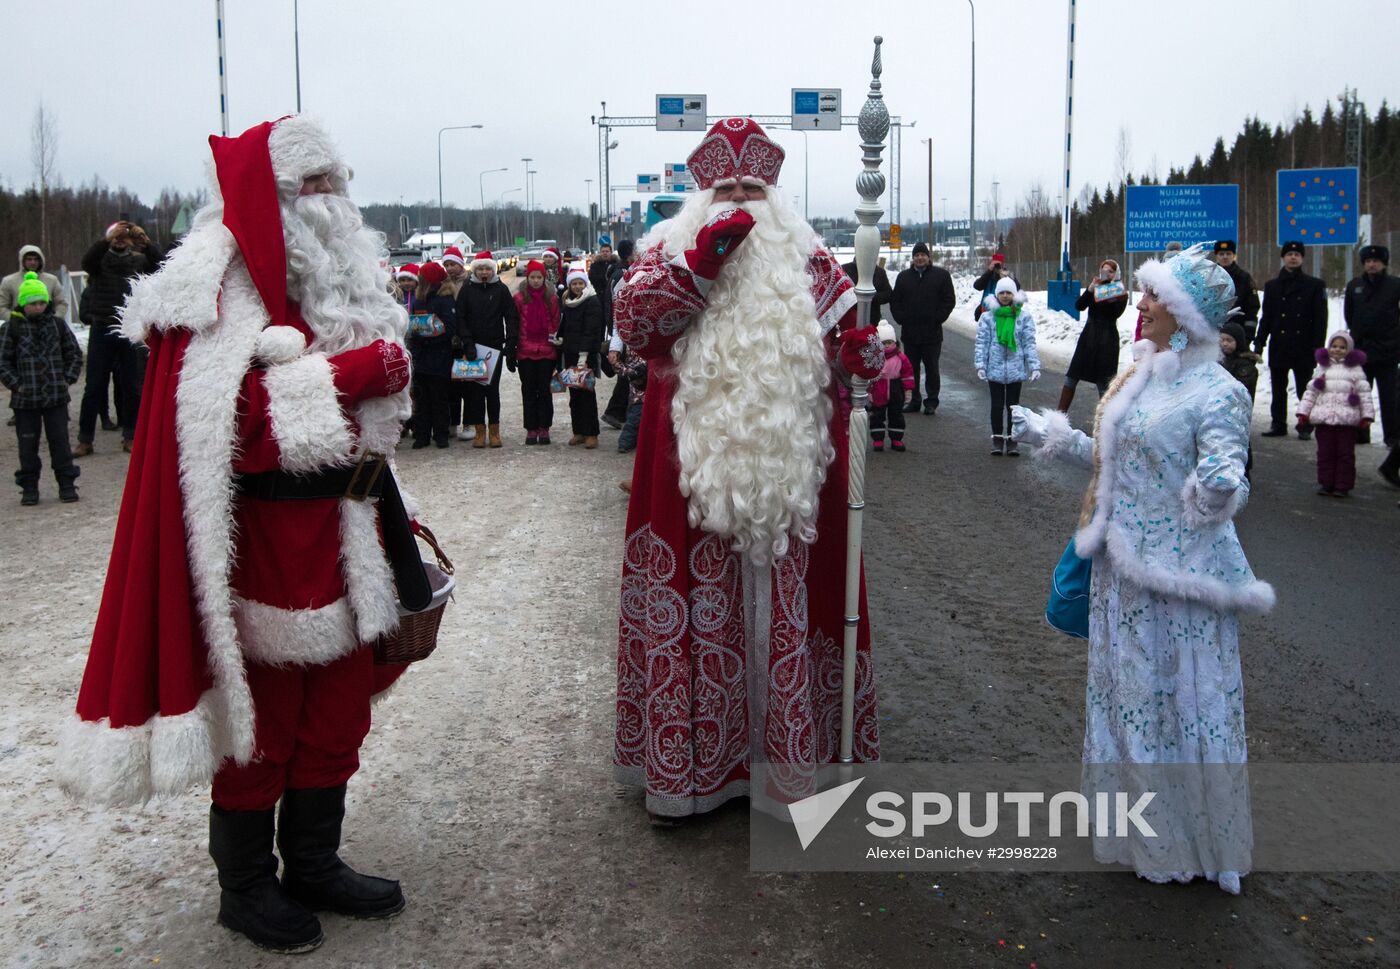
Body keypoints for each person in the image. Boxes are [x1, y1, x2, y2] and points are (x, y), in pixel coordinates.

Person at [58, 116, 414, 953]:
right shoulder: (216, 284)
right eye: (311, 184)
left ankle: (314, 861)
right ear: (273, 194)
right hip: (259, 545)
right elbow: (233, 425)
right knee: (263, 724)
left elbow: (364, 421)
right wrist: (358, 372)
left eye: (335, 181)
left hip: (345, 531)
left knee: (336, 714)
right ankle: (246, 884)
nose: (329, 199)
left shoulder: (340, 283)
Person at [611, 118, 884, 821]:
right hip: (689, 472)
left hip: (790, 474)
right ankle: (701, 769)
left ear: (774, 194)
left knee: (789, 602)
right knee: (702, 606)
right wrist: (700, 264)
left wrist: (860, 359)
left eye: (752, 188)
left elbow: (847, 347)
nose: (738, 200)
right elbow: (636, 329)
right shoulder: (665, 251)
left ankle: (790, 764)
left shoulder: (809, 258)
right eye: (726, 188)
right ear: (702, 195)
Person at [1012, 242, 1272, 895]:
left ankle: (1196, 839)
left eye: (1156, 295)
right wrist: (1058, 438)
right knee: (1130, 701)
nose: (1143, 302)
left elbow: (1225, 483)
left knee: (1183, 705)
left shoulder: (1219, 390)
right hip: (1121, 576)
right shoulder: (1142, 375)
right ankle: (1136, 828)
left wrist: (1218, 489)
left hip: (1178, 585)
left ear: (1188, 312)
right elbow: (1117, 464)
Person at [75, 221, 164, 456]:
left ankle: (131, 435)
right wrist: (106, 240)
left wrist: (147, 244)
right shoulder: (100, 261)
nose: (120, 240)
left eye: (124, 237)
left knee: (132, 386)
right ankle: (85, 439)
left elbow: (162, 266)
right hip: (102, 327)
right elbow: (87, 262)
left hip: (129, 329)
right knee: (94, 386)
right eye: (116, 237)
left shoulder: (139, 261)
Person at [1, 272, 82, 504]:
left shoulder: (57, 325)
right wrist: (16, 385)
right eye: (33, 303)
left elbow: (74, 353)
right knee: (27, 447)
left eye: (41, 302)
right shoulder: (11, 328)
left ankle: (66, 484)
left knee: (61, 444)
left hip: (56, 397)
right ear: (23, 303)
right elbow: (3, 361)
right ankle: (29, 487)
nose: (38, 307)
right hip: (25, 400)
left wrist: (67, 379)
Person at [1255, 241, 1328, 439]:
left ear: (1302, 258)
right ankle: (1278, 424)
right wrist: (1260, 343)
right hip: (1280, 344)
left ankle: (1305, 425)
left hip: (1303, 345)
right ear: (1283, 258)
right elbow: (1267, 317)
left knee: (1305, 388)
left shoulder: (1314, 285)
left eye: (1297, 254)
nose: (1293, 257)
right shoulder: (1272, 286)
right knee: (1278, 388)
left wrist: (1318, 346)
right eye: (1289, 254)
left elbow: (1320, 319)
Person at [1342, 244, 1400, 487]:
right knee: (1358, 397)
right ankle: (1360, 432)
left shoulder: (1395, 285)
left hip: (1387, 352)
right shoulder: (1355, 286)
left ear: (1384, 263)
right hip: (1361, 352)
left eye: (1376, 261)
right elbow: (1349, 314)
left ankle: (1392, 437)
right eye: (1368, 261)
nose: (1372, 264)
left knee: (1390, 398)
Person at [1298, 330, 1374, 497]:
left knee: (1345, 454)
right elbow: (1311, 393)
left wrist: (1366, 415)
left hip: (1347, 420)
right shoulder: (1322, 368)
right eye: (1334, 346)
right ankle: (1326, 483)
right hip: (1324, 419)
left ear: (1349, 349)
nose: (1337, 350)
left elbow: (1364, 394)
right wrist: (1303, 412)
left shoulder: (1356, 370)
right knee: (1325, 453)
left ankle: (1342, 485)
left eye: (1342, 347)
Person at [456, 250, 517, 448]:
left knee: (492, 391)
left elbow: (511, 316)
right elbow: (460, 318)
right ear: (475, 270)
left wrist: (510, 342)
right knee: (475, 393)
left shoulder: (501, 289)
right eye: (480, 269)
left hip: (494, 347)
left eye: (487, 269)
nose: (484, 272)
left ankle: (494, 431)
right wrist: (467, 343)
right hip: (473, 348)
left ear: (493, 270)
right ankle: (479, 431)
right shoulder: (467, 289)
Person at [888, 241, 955, 415]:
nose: (920, 258)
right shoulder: (903, 277)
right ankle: (914, 400)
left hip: (932, 334)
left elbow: (949, 300)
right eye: (916, 255)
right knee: (911, 369)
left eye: (923, 255)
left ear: (928, 257)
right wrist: (901, 318)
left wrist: (938, 318)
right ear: (913, 258)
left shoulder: (941, 276)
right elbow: (895, 301)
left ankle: (931, 401)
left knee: (932, 369)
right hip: (910, 333)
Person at [975, 276, 1040, 456]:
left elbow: (1029, 343)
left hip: (1015, 369)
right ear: (996, 295)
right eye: (1001, 292)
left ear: (1014, 294)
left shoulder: (1023, 317)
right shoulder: (988, 317)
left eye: (1008, 293)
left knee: (1013, 407)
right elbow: (982, 343)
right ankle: (997, 439)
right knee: (996, 406)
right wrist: (980, 365)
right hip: (994, 369)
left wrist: (1034, 366)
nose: (1005, 296)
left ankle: (1012, 440)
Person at [1061, 259, 1129, 410]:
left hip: (1107, 341)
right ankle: (1059, 415)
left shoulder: (1120, 292)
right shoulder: (1095, 288)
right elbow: (1079, 305)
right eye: (1104, 271)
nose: (1106, 274)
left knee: (1104, 384)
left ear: (1116, 274)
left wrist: (1107, 292)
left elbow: (1114, 313)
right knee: (1071, 378)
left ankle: (1105, 419)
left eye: (1110, 271)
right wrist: (1090, 290)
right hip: (1088, 338)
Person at [406, 260, 459, 449]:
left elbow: (450, 328)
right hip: (421, 356)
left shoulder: (445, 299)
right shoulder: (419, 300)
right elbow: (412, 326)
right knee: (421, 399)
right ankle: (422, 435)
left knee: (439, 398)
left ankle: (441, 434)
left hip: (439, 355)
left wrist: (431, 336)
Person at [507, 259, 560, 444]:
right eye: (532, 277)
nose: (536, 281)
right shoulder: (519, 298)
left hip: (546, 351)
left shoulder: (551, 298)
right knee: (528, 391)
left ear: (544, 278)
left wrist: (554, 344)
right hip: (525, 351)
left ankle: (544, 427)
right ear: (527, 278)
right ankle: (531, 428)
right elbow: (514, 324)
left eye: (539, 277)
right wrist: (512, 349)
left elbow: (555, 322)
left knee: (545, 391)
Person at [559, 266, 604, 447]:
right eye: (574, 283)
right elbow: (565, 325)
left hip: (586, 356)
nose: (577, 286)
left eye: (580, 283)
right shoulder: (568, 301)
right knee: (574, 395)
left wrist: (583, 356)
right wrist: (559, 338)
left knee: (587, 395)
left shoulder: (592, 301)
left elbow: (591, 330)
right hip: (570, 354)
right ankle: (578, 430)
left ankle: (591, 433)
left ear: (585, 284)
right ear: (570, 285)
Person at [601, 240, 639, 430]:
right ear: (629, 254)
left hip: (618, 328)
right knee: (628, 374)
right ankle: (614, 412)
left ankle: (618, 412)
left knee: (626, 374)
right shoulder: (623, 275)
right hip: (622, 330)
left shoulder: (617, 272)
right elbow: (618, 306)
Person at [1219, 321, 1260, 479]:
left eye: (1229, 340)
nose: (1225, 344)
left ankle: (1244, 472)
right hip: (1220, 411)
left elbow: (1240, 389)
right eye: (1222, 340)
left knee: (1239, 441)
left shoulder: (1245, 366)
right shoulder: (1217, 360)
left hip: (1237, 412)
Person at [865, 321, 913, 452]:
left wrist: (908, 390)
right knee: (877, 415)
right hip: (878, 387)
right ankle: (878, 439)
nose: (886, 346)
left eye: (889, 343)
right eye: (883, 343)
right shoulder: (874, 357)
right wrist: (868, 391)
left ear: (895, 342)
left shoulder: (900, 358)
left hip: (896, 388)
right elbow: (868, 374)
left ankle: (896, 438)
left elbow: (907, 374)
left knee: (896, 414)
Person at [1, 244, 68, 319]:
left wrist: (54, 318)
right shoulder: (9, 281)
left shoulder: (52, 280)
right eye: (29, 259)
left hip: (47, 323)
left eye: (36, 259)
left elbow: (61, 303)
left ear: (41, 261)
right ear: (22, 261)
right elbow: (1, 306)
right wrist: (14, 319)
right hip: (19, 324)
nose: (33, 262)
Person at [1211, 240, 1260, 339]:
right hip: (1213, 331)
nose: (1225, 257)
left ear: (1234, 255)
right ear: (1216, 256)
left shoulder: (1244, 278)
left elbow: (1252, 307)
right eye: (1221, 254)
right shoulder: (1209, 276)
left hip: (1238, 332)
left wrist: (1248, 334)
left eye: (1228, 253)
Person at [841, 253, 892, 323]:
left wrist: (870, 296)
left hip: (872, 318)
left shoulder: (879, 272)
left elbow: (888, 294)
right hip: (848, 318)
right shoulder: (845, 269)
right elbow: (838, 293)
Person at [588, 238, 616, 332]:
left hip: (613, 298)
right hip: (600, 297)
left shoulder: (616, 264)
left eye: (607, 251)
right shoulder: (595, 265)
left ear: (611, 252)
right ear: (600, 252)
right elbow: (593, 278)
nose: (605, 253)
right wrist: (606, 280)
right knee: (600, 323)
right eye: (603, 251)